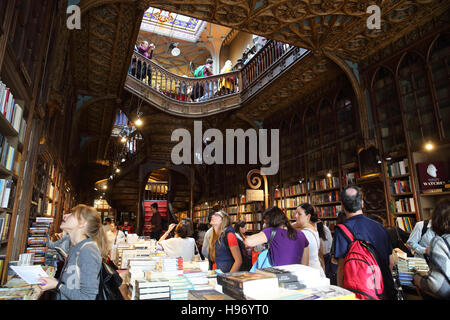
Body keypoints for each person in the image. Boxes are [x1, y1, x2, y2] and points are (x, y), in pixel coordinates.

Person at [334, 186, 395, 300]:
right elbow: (390, 262)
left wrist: (343, 294)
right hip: (385, 290)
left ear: (342, 205)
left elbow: (341, 268)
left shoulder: (342, 230)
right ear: (362, 203)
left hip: (360, 293)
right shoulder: (381, 227)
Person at [39, 204, 108, 300]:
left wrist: (57, 285)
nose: (65, 216)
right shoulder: (75, 247)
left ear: (82, 223)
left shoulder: (87, 251)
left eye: (72, 214)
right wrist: (53, 282)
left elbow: (87, 297)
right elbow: (71, 284)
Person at [245, 206, 309, 267]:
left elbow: (248, 242)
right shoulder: (301, 234)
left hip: (278, 276)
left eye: (265, 222)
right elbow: (305, 263)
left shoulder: (271, 231)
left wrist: (265, 230)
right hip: (296, 275)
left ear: (270, 221)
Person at [413, 200, 450, 299]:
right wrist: (424, 250)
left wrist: (418, 279)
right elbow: (411, 244)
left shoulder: (440, 242)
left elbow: (438, 286)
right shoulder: (420, 226)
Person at [292, 204, 325, 277]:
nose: (296, 216)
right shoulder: (313, 229)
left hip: (310, 274)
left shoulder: (304, 234)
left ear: (308, 216)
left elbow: (304, 263)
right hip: (317, 271)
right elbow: (293, 225)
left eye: (299, 214)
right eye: (296, 213)